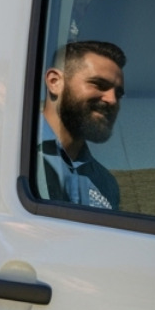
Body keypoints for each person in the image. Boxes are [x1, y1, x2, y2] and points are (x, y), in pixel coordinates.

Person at [38, 40, 126, 209]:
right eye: (99, 85)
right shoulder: (13, 152)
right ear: (55, 82)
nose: (112, 100)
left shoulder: (105, 183)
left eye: (119, 94)